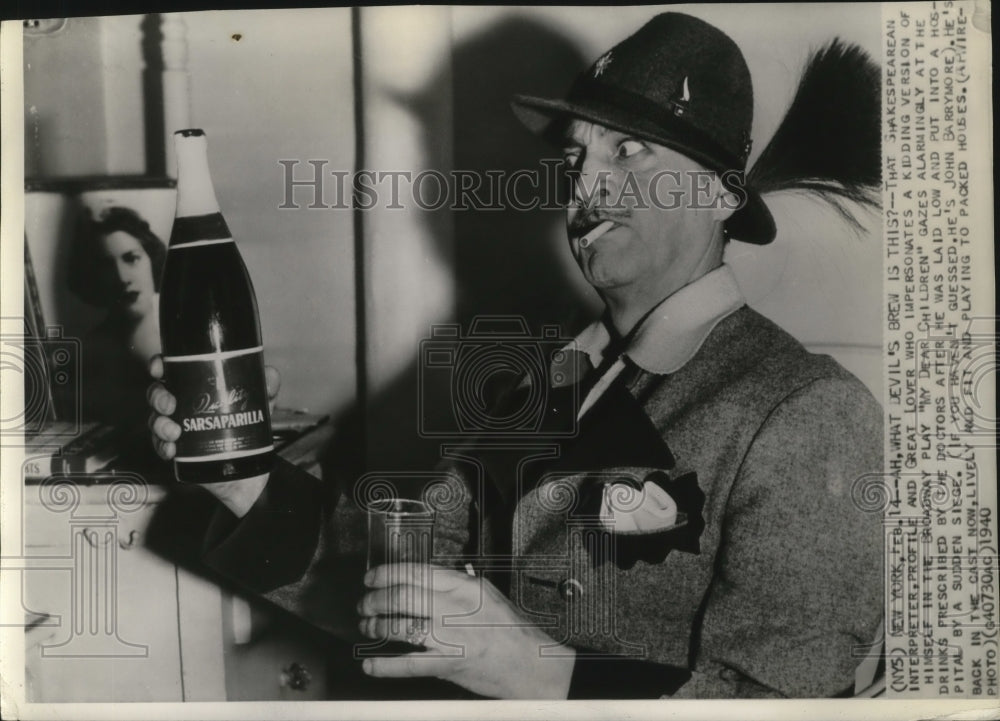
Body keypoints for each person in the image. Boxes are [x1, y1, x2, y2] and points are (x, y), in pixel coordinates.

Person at [147, 13, 883, 699]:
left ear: (722, 195)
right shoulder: (551, 369)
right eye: (575, 155)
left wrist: (534, 669)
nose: (584, 187)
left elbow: (780, 706)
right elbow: (399, 575)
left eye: (628, 150)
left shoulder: (806, 411)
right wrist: (242, 480)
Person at [69, 205, 165, 428]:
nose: (122, 277)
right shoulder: (89, 352)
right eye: (106, 267)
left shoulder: (186, 321)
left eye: (131, 258)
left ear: (151, 258)